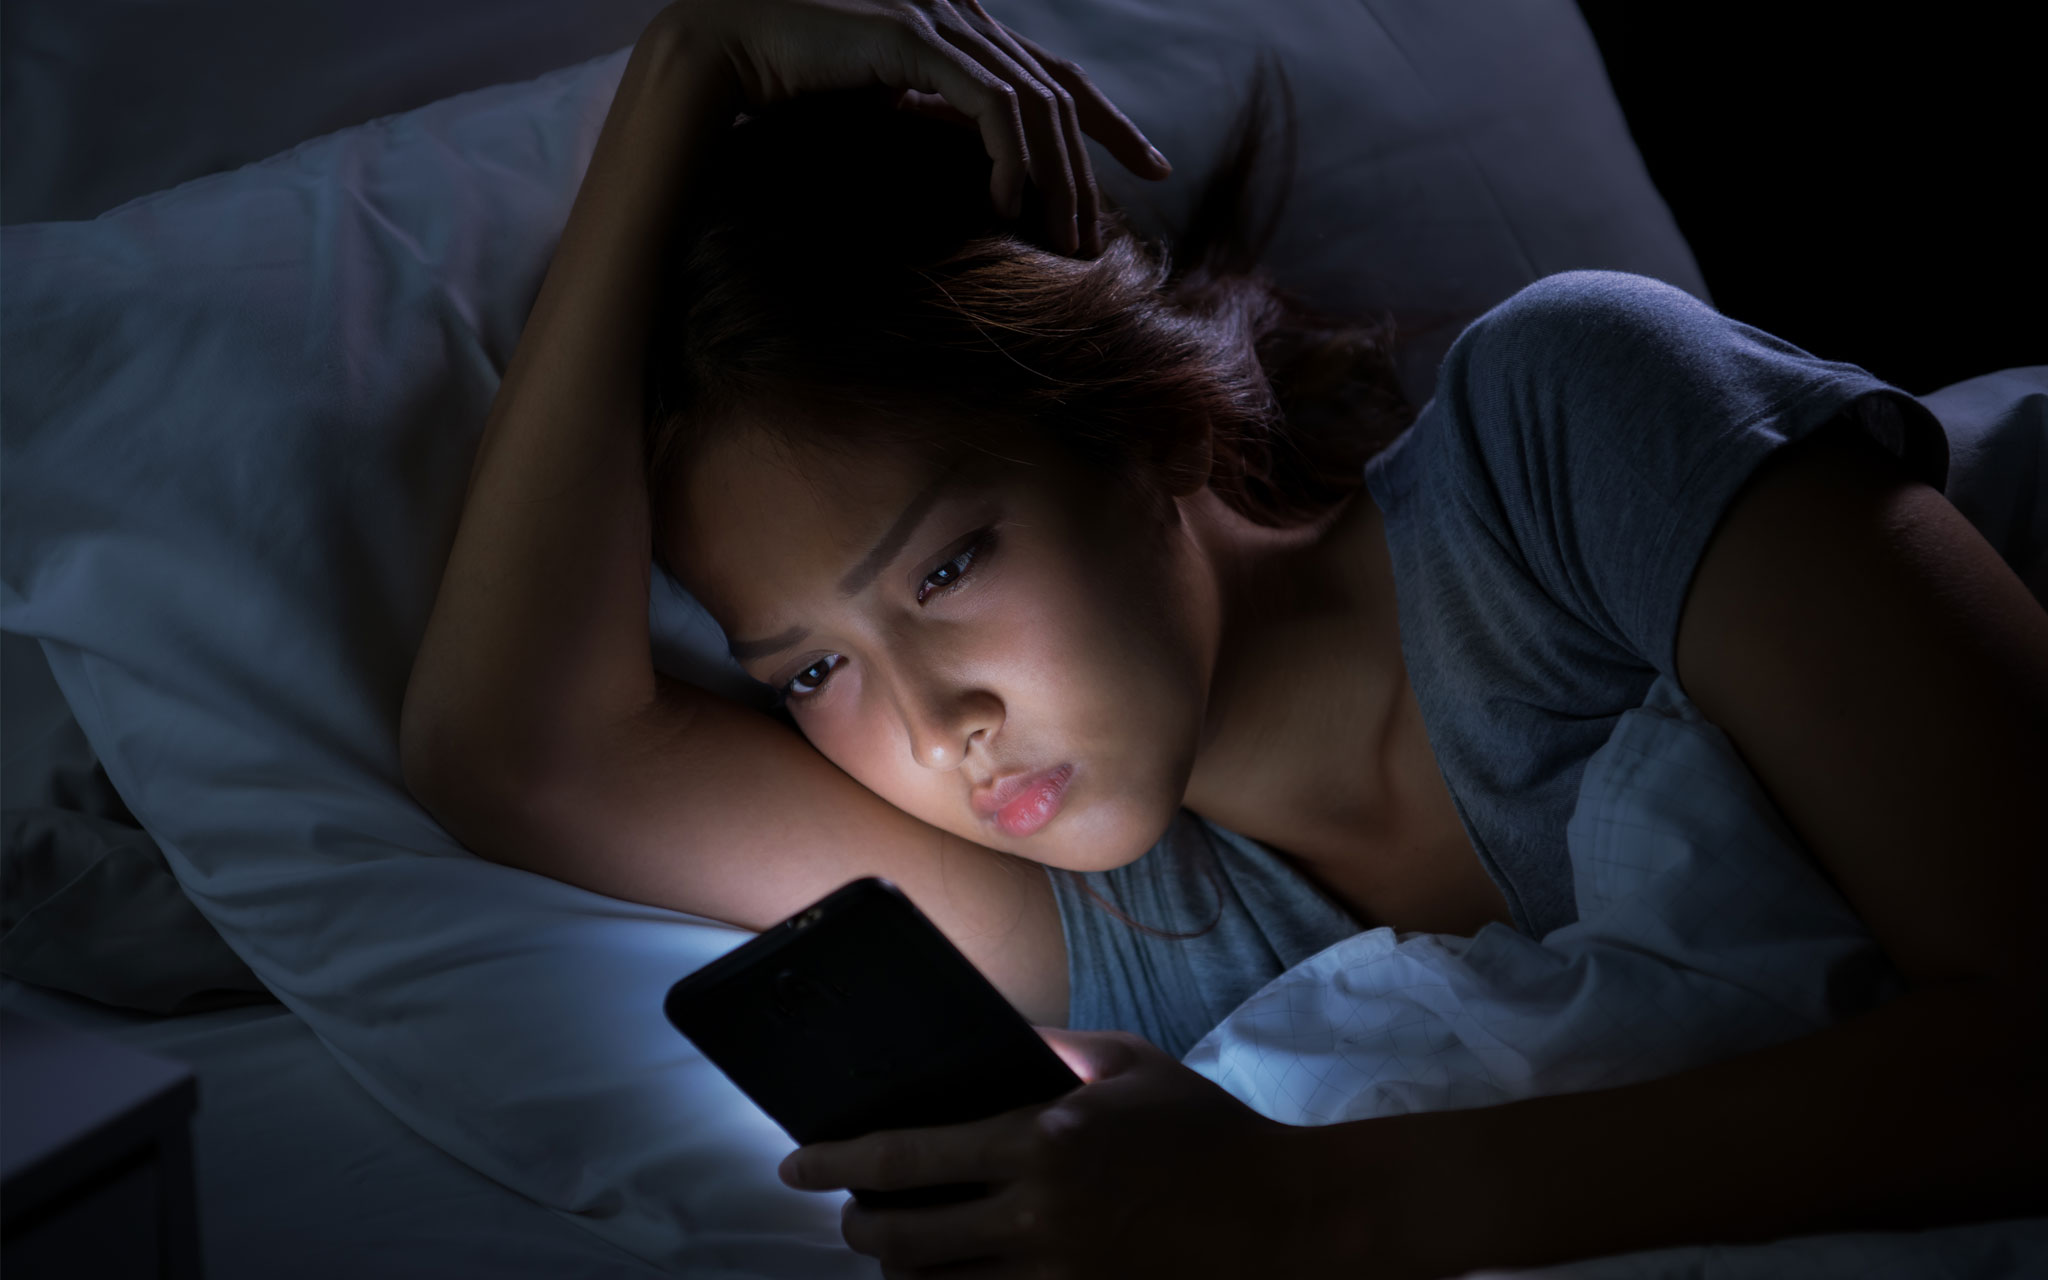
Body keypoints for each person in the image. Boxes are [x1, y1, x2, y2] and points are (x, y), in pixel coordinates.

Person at [398, 1, 2048, 1275]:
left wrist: (1310, 1207)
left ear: (1150, 434)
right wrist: (682, 60)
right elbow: (513, 754)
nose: (935, 725)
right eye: (814, 670)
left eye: (950, 565)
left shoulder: (1568, 428)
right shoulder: (1129, 926)